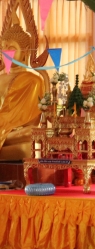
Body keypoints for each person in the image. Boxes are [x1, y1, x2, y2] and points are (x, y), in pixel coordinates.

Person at [0, 7, 48, 160]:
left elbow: (29, 121)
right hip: (3, 128)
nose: (6, 52)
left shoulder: (33, 80)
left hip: (17, 131)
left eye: (12, 48)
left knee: (32, 133)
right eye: (3, 47)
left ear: (26, 51)